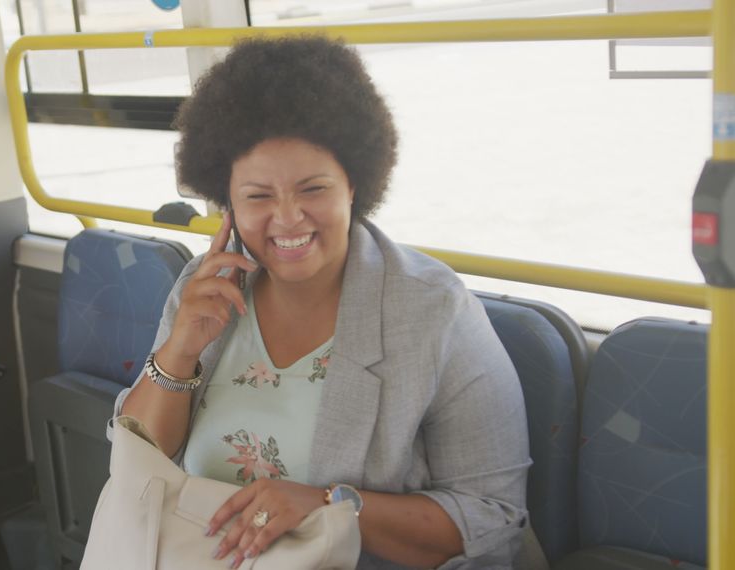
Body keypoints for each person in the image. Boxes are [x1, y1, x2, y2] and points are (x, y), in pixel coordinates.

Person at [114, 35, 530, 569]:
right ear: (228, 203)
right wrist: (180, 350)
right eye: (258, 197)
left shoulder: (433, 313)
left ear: (353, 184)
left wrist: (328, 505)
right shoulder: (205, 287)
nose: (287, 218)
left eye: (312, 189)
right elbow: (136, 463)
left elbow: (492, 519)